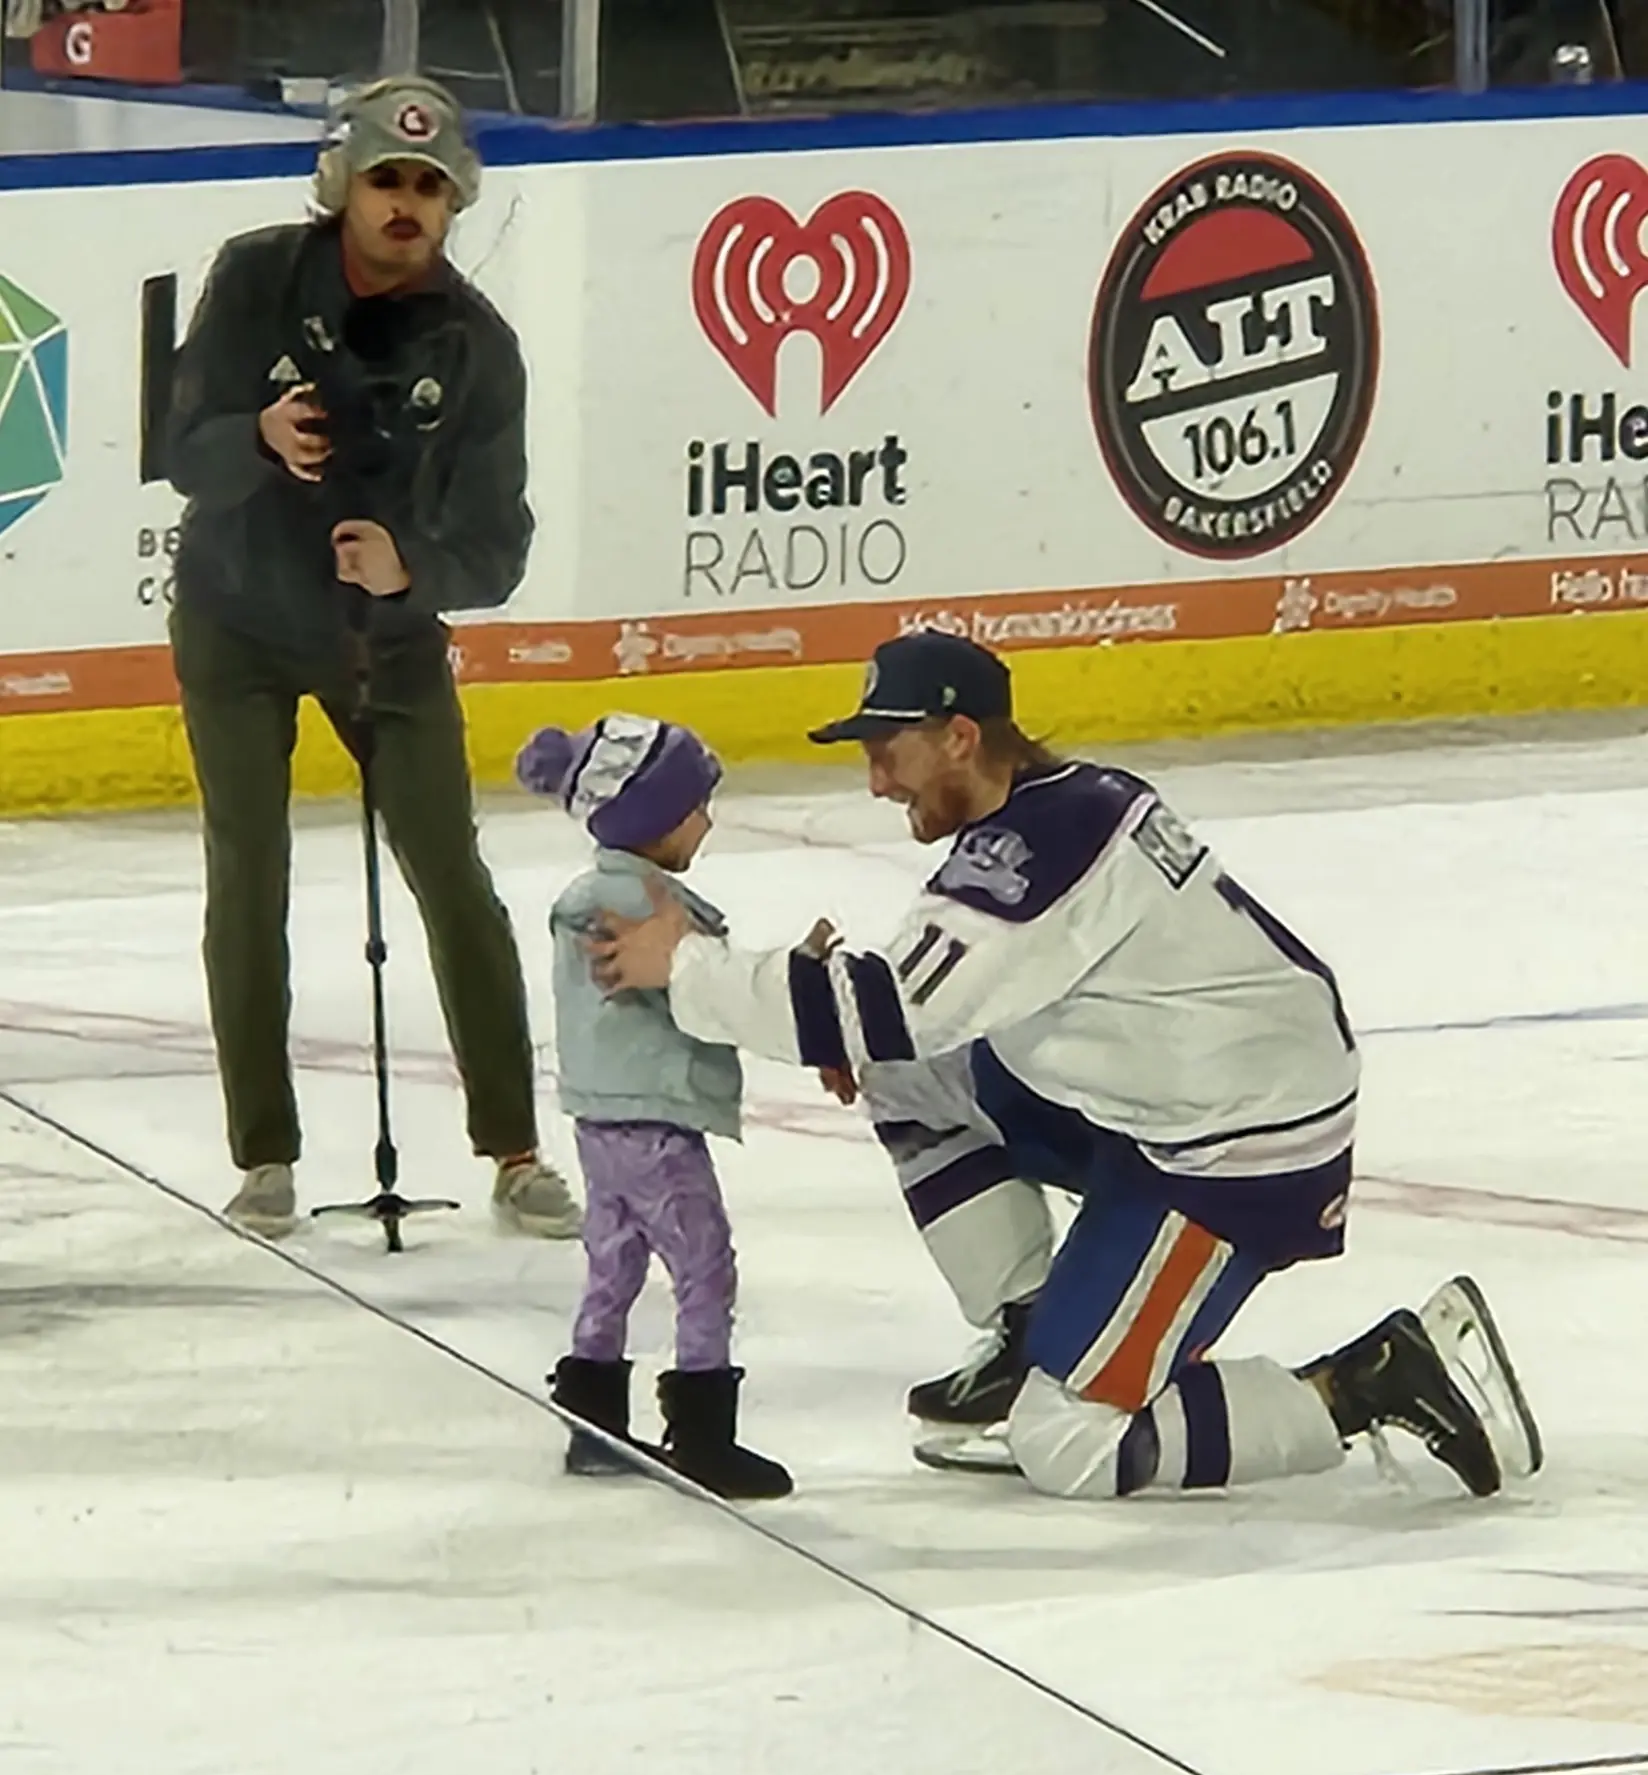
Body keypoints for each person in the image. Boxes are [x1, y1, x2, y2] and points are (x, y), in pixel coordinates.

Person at [586, 630, 1544, 1503]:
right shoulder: (1066, 802)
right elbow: (916, 1016)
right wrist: (845, 1015)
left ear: (960, 736)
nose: (877, 781)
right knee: (908, 1074)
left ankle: (1366, 1383)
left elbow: (891, 1006)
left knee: (1069, 1441)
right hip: (1171, 1102)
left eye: (889, 750)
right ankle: (1031, 1324)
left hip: (1231, 1161)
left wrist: (689, 968)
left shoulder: (1046, 843)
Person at [164, 75, 578, 1242]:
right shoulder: (257, 274)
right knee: (248, 877)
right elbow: (180, 447)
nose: (406, 204)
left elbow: (498, 547)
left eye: (429, 187)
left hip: (384, 642)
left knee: (450, 874)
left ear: (455, 205)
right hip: (235, 619)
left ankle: (515, 1149)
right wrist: (254, 437)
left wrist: (411, 572)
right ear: (342, 183)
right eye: (387, 180)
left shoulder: (480, 349)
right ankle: (265, 1157)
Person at [516, 715, 792, 1500]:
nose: (707, 818)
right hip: (651, 1117)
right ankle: (704, 1431)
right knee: (704, 1268)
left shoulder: (615, 893)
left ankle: (594, 1416)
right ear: (652, 816)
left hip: (607, 1113)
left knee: (617, 1260)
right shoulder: (632, 902)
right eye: (696, 804)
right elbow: (701, 985)